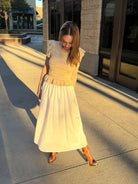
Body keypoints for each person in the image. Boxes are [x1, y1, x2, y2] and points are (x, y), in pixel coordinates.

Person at [34, 21, 97, 166]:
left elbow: (74, 76)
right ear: (60, 36)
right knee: (51, 122)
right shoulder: (52, 46)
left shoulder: (78, 54)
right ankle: (53, 149)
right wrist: (39, 88)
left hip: (67, 91)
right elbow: (45, 68)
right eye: (64, 41)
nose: (66, 45)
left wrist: (71, 95)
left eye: (70, 43)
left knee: (74, 123)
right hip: (50, 88)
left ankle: (87, 151)